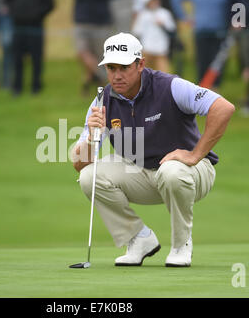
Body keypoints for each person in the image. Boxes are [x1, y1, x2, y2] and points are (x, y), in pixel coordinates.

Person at [71, 33, 235, 267]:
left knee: (171, 172)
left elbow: (223, 107)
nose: (116, 75)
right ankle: (138, 239)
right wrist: (91, 137)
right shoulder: (102, 100)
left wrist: (195, 154)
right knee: (89, 177)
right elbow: (79, 164)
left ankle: (181, 245)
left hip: (192, 172)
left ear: (140, 64)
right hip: (143, 173)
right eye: (111, 68)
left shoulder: (170, 86)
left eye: (124, 67)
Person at [171, 0, 232, 87]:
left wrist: (237, 21)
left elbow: (238, 2)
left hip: (221, 32)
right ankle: (203, 90)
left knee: (218, 63)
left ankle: (215, 90)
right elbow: (175, 0)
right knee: (202, 62)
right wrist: (185, 18)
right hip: (201, 32)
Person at [6, 0, 54, 96]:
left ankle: (36, 86)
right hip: (18, 26)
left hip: (35, 26)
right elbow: (7, 1)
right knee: (17, 58)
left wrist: (37, 14)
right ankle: (17, 87)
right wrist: (15, 12)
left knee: (36, 58)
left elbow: (50, 4)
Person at [73, 0, 113, 96]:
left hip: (101, 22)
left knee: (101, 58)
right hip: (81, 20)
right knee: (82, 52)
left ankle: (90, 85)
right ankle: (105, 79)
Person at [132, 0, 176, 73]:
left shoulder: (165, 13)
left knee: (164, 74)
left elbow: (172, 29)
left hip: (161, 50)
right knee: (144, 74)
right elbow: (136, 31)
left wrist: (163, 25)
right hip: (147, 50)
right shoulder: (143, 15)